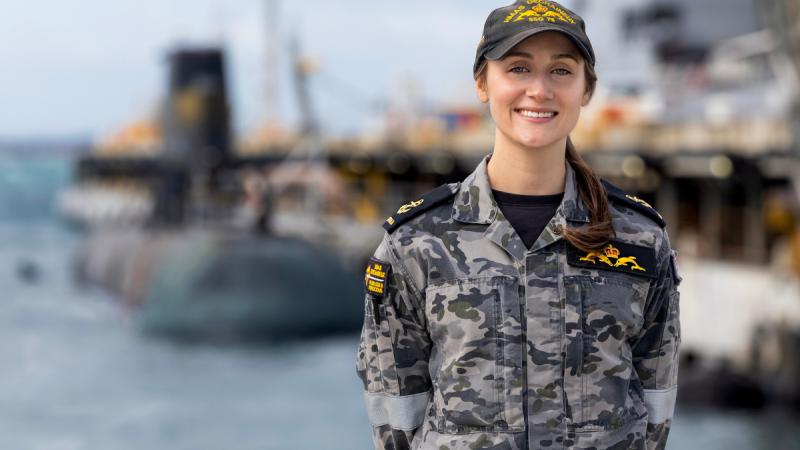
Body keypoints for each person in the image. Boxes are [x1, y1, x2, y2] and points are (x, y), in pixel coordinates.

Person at [356, 1, 681, 449]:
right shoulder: (416, 241)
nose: (539, 90)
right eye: (518, 68)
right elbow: (395, 409)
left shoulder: (638, 238)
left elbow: (656, 404)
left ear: (586, 89)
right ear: (482, 83)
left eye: (561, 71)